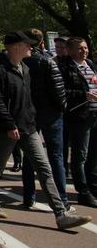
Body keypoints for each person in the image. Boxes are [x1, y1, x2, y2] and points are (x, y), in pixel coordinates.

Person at [0, 31, 91, 230]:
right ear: (15, 47)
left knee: (44, 168)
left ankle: (60, 214)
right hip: (6, 130)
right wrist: (9, 125)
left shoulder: (24, 67)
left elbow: (28, 99)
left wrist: (31, 121)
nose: (31, 47)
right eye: (27, 44)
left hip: (28, 127)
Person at [21, 29, 70, 210]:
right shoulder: (47, 61)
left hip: (29, 112)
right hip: (50, 113)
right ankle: (62, 199)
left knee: (30, 155)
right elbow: (59, 90)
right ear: (42, 42)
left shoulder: (22, 61)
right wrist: (62, 107)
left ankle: (28, 196)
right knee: (56, 156)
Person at [58, 36, 97, 207]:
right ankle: (82, 191)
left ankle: (93, 185)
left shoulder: (90, 65)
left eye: (85, 47)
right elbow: (62, 91)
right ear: (70, 50)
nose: (84, 51)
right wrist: (83, 95)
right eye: (80, 48)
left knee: (94, 154)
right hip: (79, 116)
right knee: (80, 154)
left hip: (94, 114)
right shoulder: (65, 67)